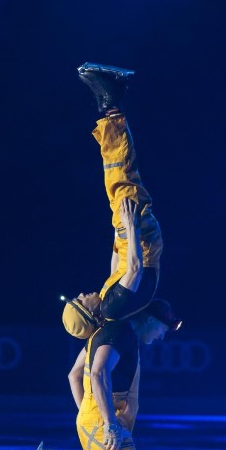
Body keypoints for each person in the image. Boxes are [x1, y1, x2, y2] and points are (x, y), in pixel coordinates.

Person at [24, 298, 182, 450]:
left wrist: (88, 413)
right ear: (151, 319)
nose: (161, 336)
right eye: (163, 328)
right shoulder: (120, 331)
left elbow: (74, 375)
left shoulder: (104, 331)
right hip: (104, 423)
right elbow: (98, 372)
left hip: (92, 420)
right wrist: (107, 423)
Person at [61, 62, 163, 339]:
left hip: (129, 237)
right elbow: (134, 269)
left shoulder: (109, 304)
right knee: (122, 171)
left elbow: (117, 268)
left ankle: (108, 103)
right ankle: (112, 100)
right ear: (89, 314)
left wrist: (118, 238)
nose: (81, 295)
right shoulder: (112, 308)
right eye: (81, 301)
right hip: (139, 239)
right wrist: (129, 226)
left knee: (114, 176)